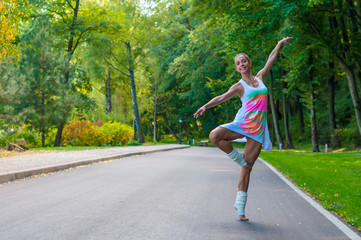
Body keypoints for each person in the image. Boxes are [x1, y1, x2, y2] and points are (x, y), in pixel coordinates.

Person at [193, 37, 293, 221]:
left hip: (258, 129)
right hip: (244, 123)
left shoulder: (261, 77)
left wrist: (278, 44)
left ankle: (240, 209)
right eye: (238, 63)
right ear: (237, 68)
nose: (242, 64)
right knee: (215, 135)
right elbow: (221, 97)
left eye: (244, 61)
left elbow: (271, 58)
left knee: (247, 168)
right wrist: (205, 106)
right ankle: (237, 158)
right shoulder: (239, 86)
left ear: (249, 63)